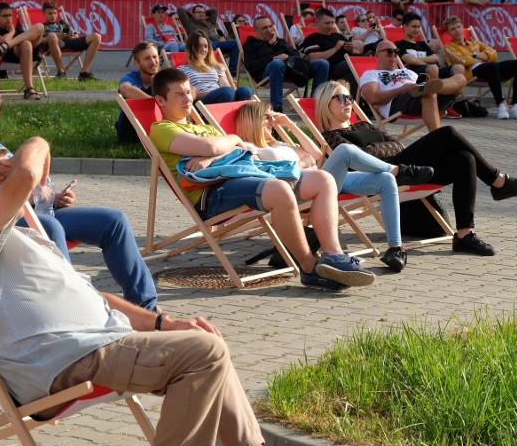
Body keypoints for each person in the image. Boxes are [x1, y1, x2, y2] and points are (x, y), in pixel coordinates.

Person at [0, 139, 264, 446]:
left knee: (209, 343)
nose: (13, 180)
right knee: (202, 353)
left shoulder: (25, 238)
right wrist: (36, 145)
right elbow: (27, 174)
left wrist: (165, 323)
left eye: (10, 171)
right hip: (61, 359)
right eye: (1, 176)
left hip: (94, 346)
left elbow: (92, 296)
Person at [0, 81, 161, 313]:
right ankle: (74, 310)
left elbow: (37, 181)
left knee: (113, 221)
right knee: (49, 225)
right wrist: (26, 191)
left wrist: (53, 196)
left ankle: (145, 307)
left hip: (31, 212)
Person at [150, 68, 375, 290]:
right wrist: (227, 142)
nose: (187, 98)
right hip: (211, 194)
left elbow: (229, 148)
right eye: (179, 94)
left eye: (189, 92)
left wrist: (213, 155)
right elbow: (213, 145)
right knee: (279, 190)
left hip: (243, 177)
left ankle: (333, 255)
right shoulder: (162, 129)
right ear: (160, 100)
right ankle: (309, 267)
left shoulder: (204, 127)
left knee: (323, 179)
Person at [316, 79, 517, 257]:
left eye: (349, 98)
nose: (349, 102)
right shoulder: (332, 137)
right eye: (342, 97)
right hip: (382, 176)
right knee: (447, 133)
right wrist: (381, 149)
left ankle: (464, 235)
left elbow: (396, 144)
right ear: (327, 103)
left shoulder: (363, 125)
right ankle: (497, 181)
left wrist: (380, 149)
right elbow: (361, 158)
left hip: (405, 167)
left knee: (463, 158)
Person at [234, 101, 433, 272]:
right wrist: (301, 163)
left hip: (321, 181)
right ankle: (399, 170)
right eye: (266, 118)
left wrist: (288, 125)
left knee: (385, 180)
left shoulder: (278, 144)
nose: (271, 122)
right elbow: (272, 173)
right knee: (344, 150)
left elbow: (316, 154)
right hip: (300, 190)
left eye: (271, 117)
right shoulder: (251, 148)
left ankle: (395, 248)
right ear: (252, 122)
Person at [362, 40, 466, 131]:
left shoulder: (407, 71)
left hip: (418, 97)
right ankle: (436, 139)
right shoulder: (370, 74)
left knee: (460, 78)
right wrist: (401, 89)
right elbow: (372, 98)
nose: (393, 57)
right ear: (377, 55)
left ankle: (428, 88)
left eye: (396, 54)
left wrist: (427, 85)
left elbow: (418, 85)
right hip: (396, 105)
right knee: (428, 94)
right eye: (389, 53)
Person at [441, 15, 517, 120]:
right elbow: (463, 61)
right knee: (492, 66)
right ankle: (500, 104)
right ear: (448, 33)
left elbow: (494, 54)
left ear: (462, 27)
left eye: (458, 27)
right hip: (472, 72)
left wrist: (475, 55)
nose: (457, 30)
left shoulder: (475, 43)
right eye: (453, 29)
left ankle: (516, 106)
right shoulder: (449, 47)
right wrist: (481, 57)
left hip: (491, 69)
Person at [242, 16, 329, 112]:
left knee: (322, 64)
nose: (269, 30)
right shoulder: (250, 45)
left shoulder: (279, 42)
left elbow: (297, 56)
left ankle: (315, 103)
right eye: (264, 28)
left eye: (270, 26)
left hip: (292, 71)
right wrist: (273, 58)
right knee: (277, 63)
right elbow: (251, 66)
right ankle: (277, 107)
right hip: (268, 74)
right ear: (256, 31)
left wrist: (276, 44)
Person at [0, 2, 44, 100]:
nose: (8, 18)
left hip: (29, 52)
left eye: (10, 15)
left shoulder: (19, 28)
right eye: (4, 16)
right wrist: (12, 31)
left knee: (40, 26)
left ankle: (6, 46)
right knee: (26, 43)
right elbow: (3, 40)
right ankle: (29, 88)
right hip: (9, 55)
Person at [178, 31, 253, 104]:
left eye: (205, 46)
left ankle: (243, 114)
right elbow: (190, 94)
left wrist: (229, 92)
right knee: (226, 92)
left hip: (224, 96)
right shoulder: (182, 70)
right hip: (202, 101)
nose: (203, 50)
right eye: (199, 46)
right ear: (191, 48)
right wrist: (213, 93)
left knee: (245, 90)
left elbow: (225, 84)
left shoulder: (216, 67)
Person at [301, 7, 358, 97]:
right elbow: (313, 57)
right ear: (317, 22)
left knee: (359, 63)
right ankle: (353, 101)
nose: (330, 26)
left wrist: (351, 49)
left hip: (346, 65)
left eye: (332, 23)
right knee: (349, 66)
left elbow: (353, 53)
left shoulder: (338, 36)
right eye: (327, 23)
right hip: (328, 70)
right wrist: (335, 48)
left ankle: (362, 101)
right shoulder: (312, 39)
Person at [40, 1, 101, 80]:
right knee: (52, 36)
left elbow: (75, 34)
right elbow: (38, 41)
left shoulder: (62, 23)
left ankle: (84, 73)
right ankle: (61, 73)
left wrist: (72, 35)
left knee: (96, 36)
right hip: (54, 44)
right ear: (43, 14)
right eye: (50, 13)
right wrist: (57, 36)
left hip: (68, 41)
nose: (53, 16)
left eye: (55, 13)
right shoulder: (41, 27)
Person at [117, 42, 162, 144]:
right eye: (147, 59)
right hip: (131, 131)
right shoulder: (130, 78)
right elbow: (125, 90)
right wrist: (156, 104)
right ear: (137, 63)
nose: (153, 62)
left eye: (155, 57)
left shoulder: (165, 78)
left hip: (159, 128)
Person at [177, 5, 240, 76]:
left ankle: (232, 71)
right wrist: (191, 16)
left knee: (236, 42)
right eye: (198, 12)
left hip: (217, 43)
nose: (201, 14)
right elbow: (180, 9)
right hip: (204, 44)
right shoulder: (190, 23)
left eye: (203, 12)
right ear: (193, 14)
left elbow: (214, 10)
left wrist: (202, 13)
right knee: (209, 43)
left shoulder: (209, 22)